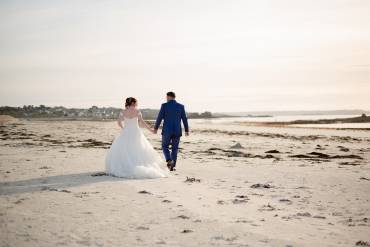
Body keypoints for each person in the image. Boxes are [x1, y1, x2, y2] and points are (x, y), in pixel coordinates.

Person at [105, 97, 168, 178]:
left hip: (126, 132)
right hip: (136, 132)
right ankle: (136, 165)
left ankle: (126, 166)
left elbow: (119, 122)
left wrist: (124, 128)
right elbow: (142, 123)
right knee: (138, 149)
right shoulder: (137, 111)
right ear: (133, 103)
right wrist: (151, 130)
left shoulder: (123, 112)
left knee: (125, 149)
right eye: (136, 103)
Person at [154, 92, 189, 171]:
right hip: (177, 131)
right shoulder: (181, 106)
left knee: (164, 146)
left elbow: (159, 118)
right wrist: (186, 130)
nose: (166, 98)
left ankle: (169, 160)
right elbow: (184, 119)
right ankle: (172, 166)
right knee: (175, 149)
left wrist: (155, 128)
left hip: (167, 131)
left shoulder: (164, 106)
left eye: (166, 97)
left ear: (169, 97)